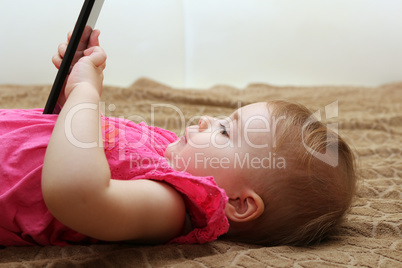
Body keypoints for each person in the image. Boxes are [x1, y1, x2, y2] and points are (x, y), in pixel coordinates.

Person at [0, 30, 356, 247]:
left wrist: (84, 97)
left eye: (224, 131)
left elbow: (76, 192)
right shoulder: (170, 150)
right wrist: (70, 99)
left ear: (238, 204)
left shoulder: (170, 207)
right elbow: (83, 144)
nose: (205, 119)